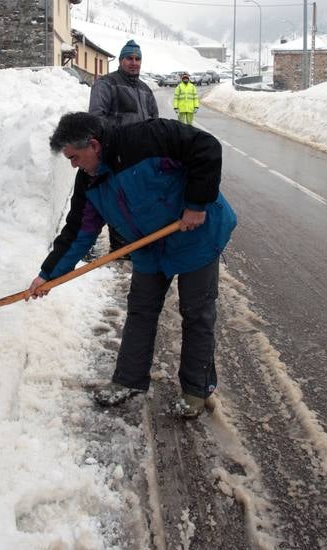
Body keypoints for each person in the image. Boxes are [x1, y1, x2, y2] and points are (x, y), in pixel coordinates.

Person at [27, 112, 237, 418]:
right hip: (149, 245)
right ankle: (128, 379)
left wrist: (196, 203)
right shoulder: (89, 182)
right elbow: (78, 231)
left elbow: (206, 147)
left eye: (74, 157)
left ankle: (196, 389)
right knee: (141, 308)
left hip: (196, 234)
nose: (73, 166)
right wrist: (48, 274)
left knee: (196, 313)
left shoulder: (148, 138)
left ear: (94, 145)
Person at [89, 38, 158, 251]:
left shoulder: (146, 90)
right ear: (120, 60)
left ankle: (136, 246)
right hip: (117, 156)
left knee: (138, 202)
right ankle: (120, 251)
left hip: (142, 158)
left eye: (137, 59)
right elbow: (96, 119)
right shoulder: (106, 84)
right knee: (118, 203)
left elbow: (154, 123)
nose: (134, 62)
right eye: (129, 58)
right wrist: (115, 145)